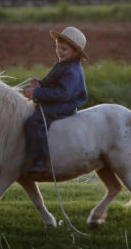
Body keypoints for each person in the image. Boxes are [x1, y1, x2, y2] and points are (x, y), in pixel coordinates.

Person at [21, 26, 89, 174]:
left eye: (63, 49)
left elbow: (62, 93)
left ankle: (39, 160)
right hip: (59, 101)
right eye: (57, 47)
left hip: (64, 106)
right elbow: (54, 83)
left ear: (75, 52)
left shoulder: (72, 71)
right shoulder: (64, 64)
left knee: (34, 121)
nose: (59, 52)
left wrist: (37, 92)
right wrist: (41, 83)